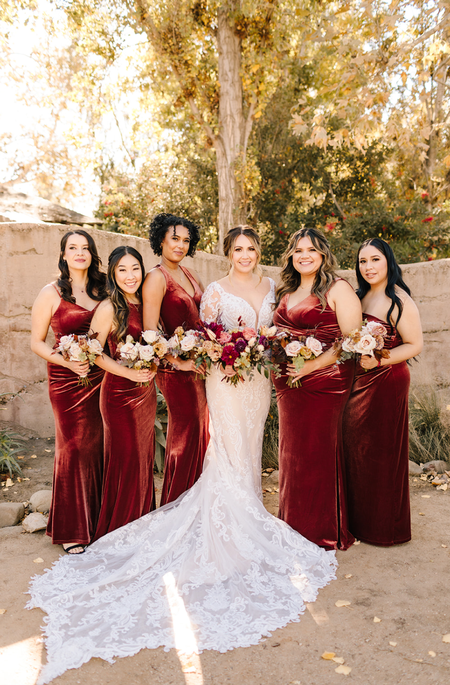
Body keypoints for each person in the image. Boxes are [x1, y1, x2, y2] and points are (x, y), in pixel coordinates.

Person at [28, 226, 337, 685]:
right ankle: (190, 517)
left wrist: (252, 347)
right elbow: (172, 334)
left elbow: (254, 330)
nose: (245, 254)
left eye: (251, 248)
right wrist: (188, 358)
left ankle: (244, 509)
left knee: (245, 443)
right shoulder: (188, 287)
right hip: (207, 376)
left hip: (254, 380)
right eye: (237, 248)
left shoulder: (255, 284)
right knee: (210, 443)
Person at [273, 227, 362, 550]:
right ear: (290, 256)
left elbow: (351, 340)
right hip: (289, 384)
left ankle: (320, 531)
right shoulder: (287, 289)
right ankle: (293, 525)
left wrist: (312, 366)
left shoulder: (338, 288)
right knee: (292, 454)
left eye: (311, 249)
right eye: (298, 250)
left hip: (325, 381)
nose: (304, 255)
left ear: (323, 254)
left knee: (316, 452)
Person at [342, 238, 423, 546]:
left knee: (381, 453)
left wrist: (379, 359)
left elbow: (414, 344)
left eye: (375, 259)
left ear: (388, 261)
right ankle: (358, 522)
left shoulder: (399, 300)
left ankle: (384, 527)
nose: (369, 266)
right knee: (356, 449)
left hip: (387, 380)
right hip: (358, 381)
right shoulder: (358, 296)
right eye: (363, 261)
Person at [30, 230, 106, 554]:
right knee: (73, 446)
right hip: (65, 379)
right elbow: (36, 342)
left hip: (101, 376)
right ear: (63, 255)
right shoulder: (51, 293)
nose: (79, 253)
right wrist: (66, 361)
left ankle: (98, 520)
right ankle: (71, 528)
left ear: (92, 253)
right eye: (72, 248)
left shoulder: (104, 289)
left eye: (85, 248)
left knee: (99, 445)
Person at [90, 246, 157, 541]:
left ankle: (142, 527)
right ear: (113, 274)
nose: (130, 276)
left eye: (135, 268)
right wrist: (128, 373)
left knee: (143, 460)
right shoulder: (109, 308)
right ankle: (120, 533)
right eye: (122, 270)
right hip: (119, 395)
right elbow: (93, 352)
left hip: (146, 393)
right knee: (126, 461)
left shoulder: (147, 303)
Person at [142, 213, 209, 505]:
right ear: (161, 240)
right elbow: (149, 332)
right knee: (186, 432)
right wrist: (177, 361)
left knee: (201, 431)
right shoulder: (156, 278)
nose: (180, 245)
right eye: (174, 239)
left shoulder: (190, 274)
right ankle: (176, 504)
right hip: (175, 370)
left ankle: (197, 504)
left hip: (199, 367)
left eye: (186, 240)